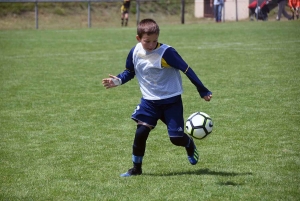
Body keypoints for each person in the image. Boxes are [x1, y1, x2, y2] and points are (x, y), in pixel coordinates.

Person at [102, 19, 212, 177]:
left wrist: (202, 90)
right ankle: (136, 169)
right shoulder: (134, 52)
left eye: (155, 41)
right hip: (149, 102)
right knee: (141, 133)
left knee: (176, 138)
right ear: (138, 38)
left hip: (171, 102)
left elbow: (186, 69)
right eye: (147, 41)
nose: (152, 45)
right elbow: (130, 71)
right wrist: (117, 80)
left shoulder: (167, 53)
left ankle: (188, 143)